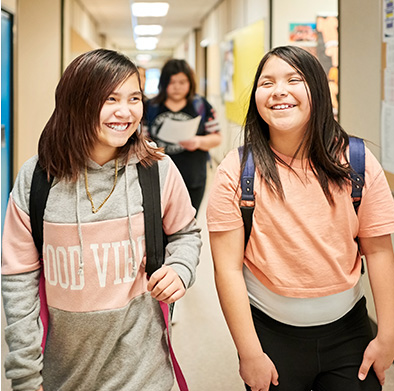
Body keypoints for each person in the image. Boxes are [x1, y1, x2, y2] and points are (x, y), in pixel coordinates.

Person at [2, 48, 201, 391]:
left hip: (144, 371)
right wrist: (24, 372)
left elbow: (186, 233)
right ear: (77, 102)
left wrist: (180, 268)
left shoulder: (157, 170)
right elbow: (18, 278)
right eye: (110, 98)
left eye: (134, 98)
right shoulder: (37, 178)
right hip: (63, 373)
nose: (125, 112)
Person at [206, 45, 394, 391]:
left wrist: (388, 336)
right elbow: (227, 269)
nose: (279, 91)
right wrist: (249, 353)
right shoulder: (237, 170)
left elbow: (380, 252)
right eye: (267, 83)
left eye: (294, 79)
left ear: (318, 92)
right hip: (270, 334)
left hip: (348, 331)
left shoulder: (357, 161)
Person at [144, 59, 221, 215]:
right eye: (172, 82)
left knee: (189, 221)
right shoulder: (150, 107)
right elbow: (142, 139)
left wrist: (198, 141)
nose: (177, 87)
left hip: (193, 178)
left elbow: (217, 137)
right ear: (163, 83)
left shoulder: (200, 105)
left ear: (190, 83)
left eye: (182, 82)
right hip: (158, 178)